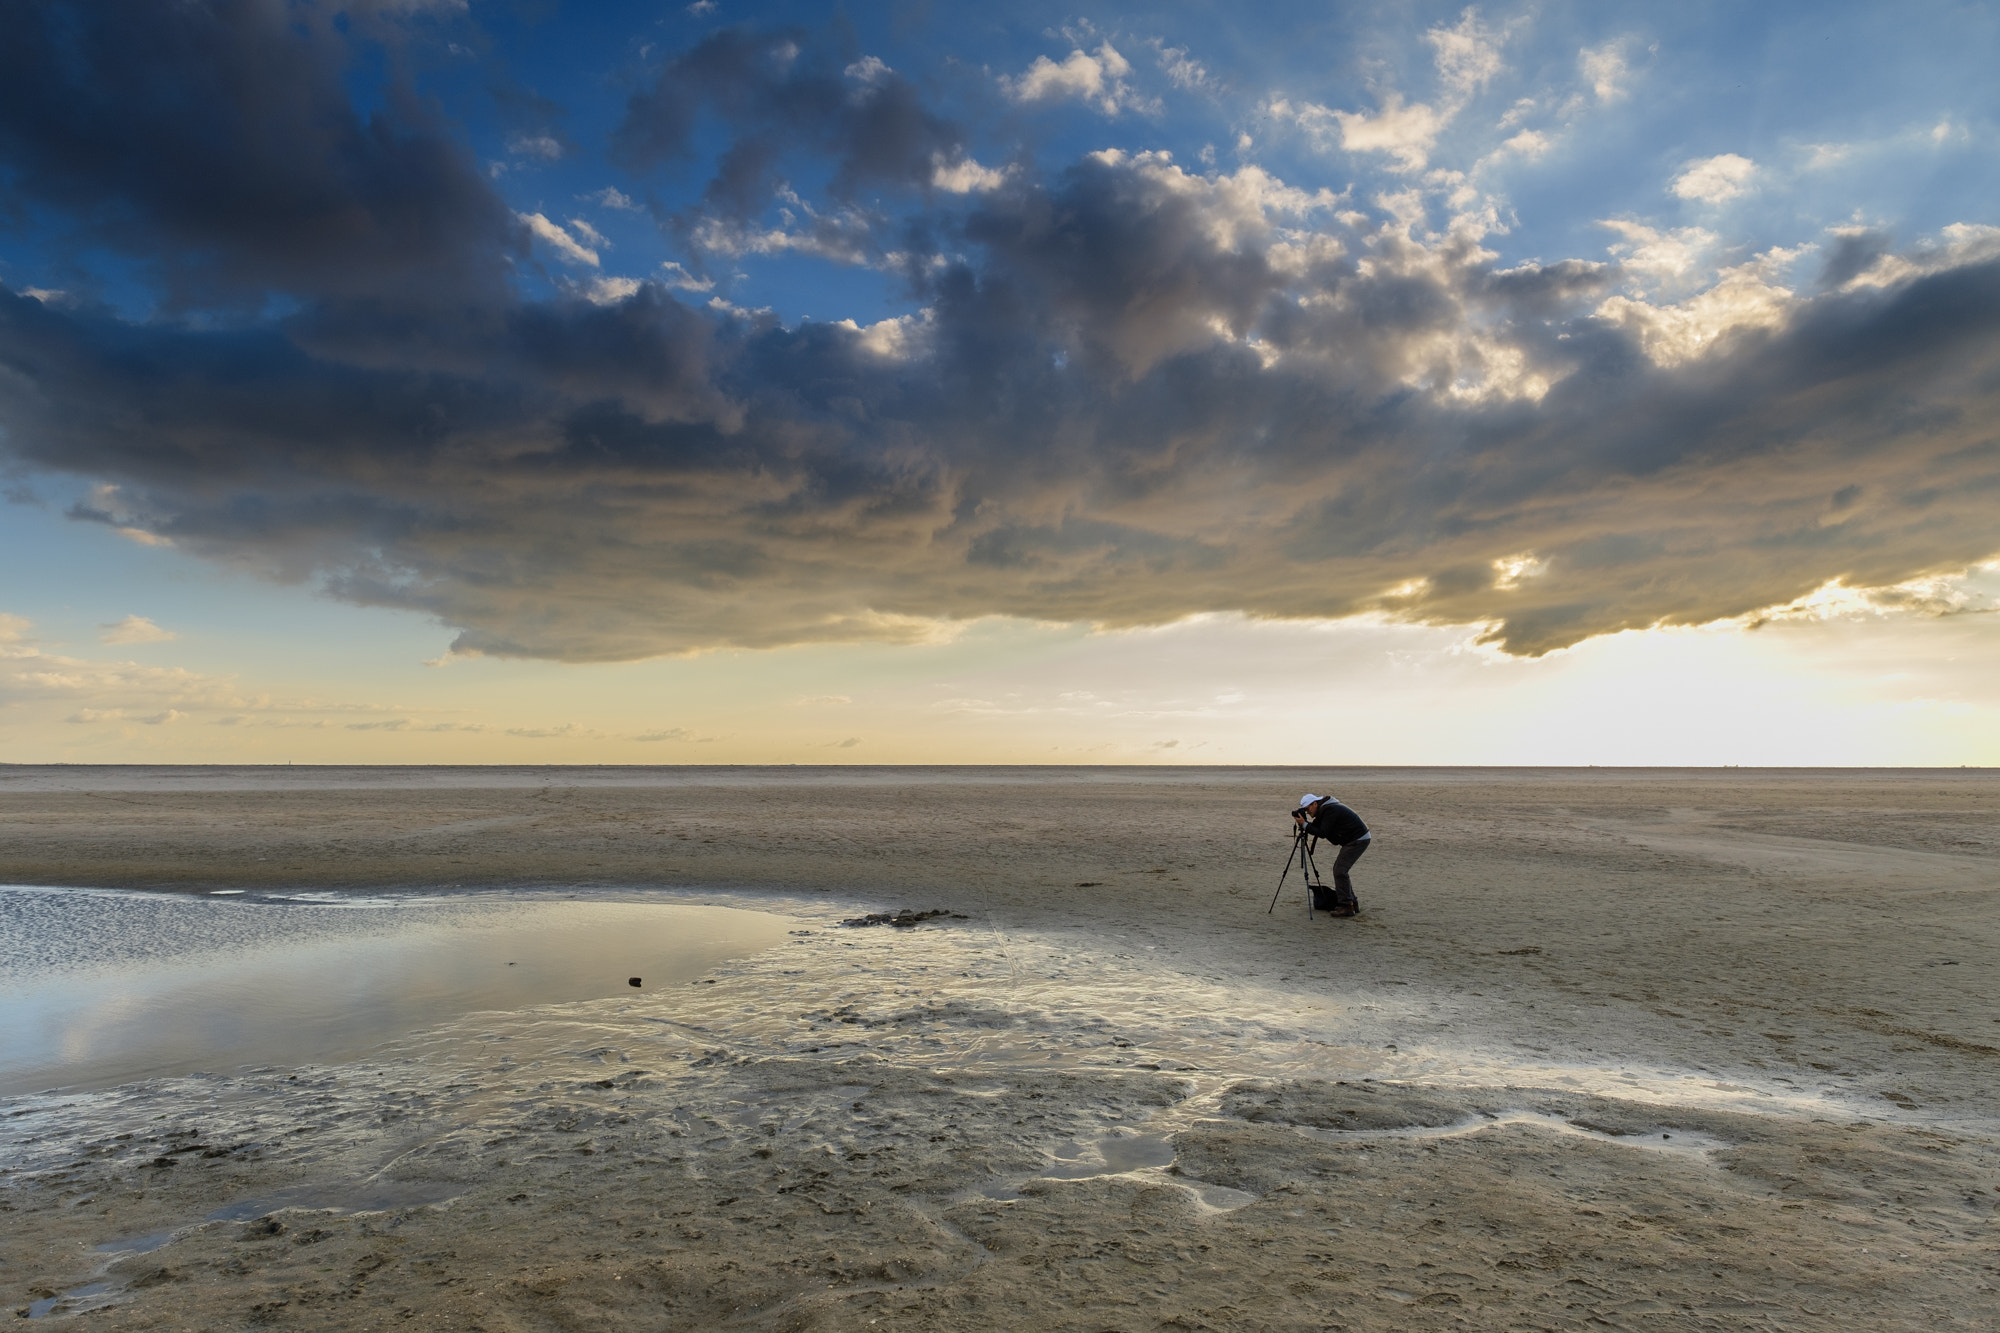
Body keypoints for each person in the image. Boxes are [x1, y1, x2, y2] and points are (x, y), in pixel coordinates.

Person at [1292, 793, 1370, 914]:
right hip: (1354, 839)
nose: (1307, 812)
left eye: (1307, 809)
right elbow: (1316, 828)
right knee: (1341, 870)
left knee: (1340, 870)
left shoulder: (1330, 810)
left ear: (1315, 804)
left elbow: (1322, 832)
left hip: (1358, 839)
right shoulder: (1325, 810)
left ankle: (1346, 906)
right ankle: (1352, 903)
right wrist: (1304, 824)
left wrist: (1305, 825)